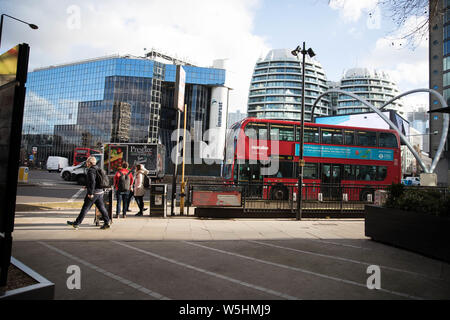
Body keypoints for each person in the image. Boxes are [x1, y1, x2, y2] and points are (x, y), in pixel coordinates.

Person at [67, 156, 111, 230]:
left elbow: (92, 182)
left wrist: (90, 193)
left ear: (90, 163)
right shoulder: (98, 168)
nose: (86, 163)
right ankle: (107, 222)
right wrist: (87, 186)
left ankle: (76, 223)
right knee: (101, 208)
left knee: (85, 208)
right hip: (100, 192)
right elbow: (96, 181)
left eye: (87, 162)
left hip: (94, 193)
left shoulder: (91, 170)